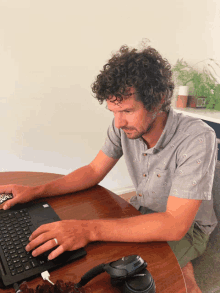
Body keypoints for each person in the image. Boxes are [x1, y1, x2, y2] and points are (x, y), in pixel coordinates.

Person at [0, 43, 217, 293]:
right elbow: (93, 171)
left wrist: (88, 229)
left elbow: (174, 224)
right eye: (113, 111)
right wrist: (36, 191)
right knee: (98, 260)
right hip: (141, 209)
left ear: (157, 101)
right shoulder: (122, 126)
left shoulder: (197, 138)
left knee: (142, 279)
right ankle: (182, 265)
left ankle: (184, 270)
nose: (118, 122)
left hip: (188, 228)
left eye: (127, 110)